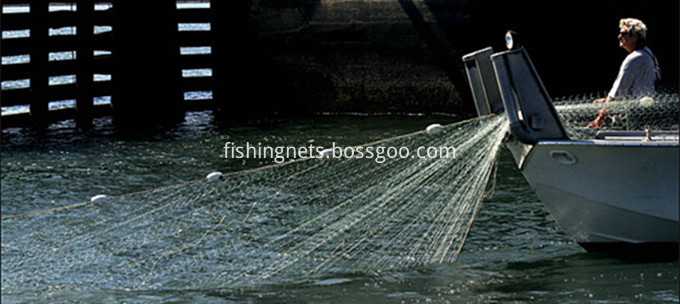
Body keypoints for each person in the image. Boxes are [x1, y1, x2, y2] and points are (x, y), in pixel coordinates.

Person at [588, 18, 660, 128]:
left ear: (634, 37)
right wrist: (605, 100)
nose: (619, 37)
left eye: (623, 33)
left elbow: (617, 94)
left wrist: (600, 119)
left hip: (635, 118)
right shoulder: (648, 54)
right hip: (648, 117)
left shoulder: (634, 58)